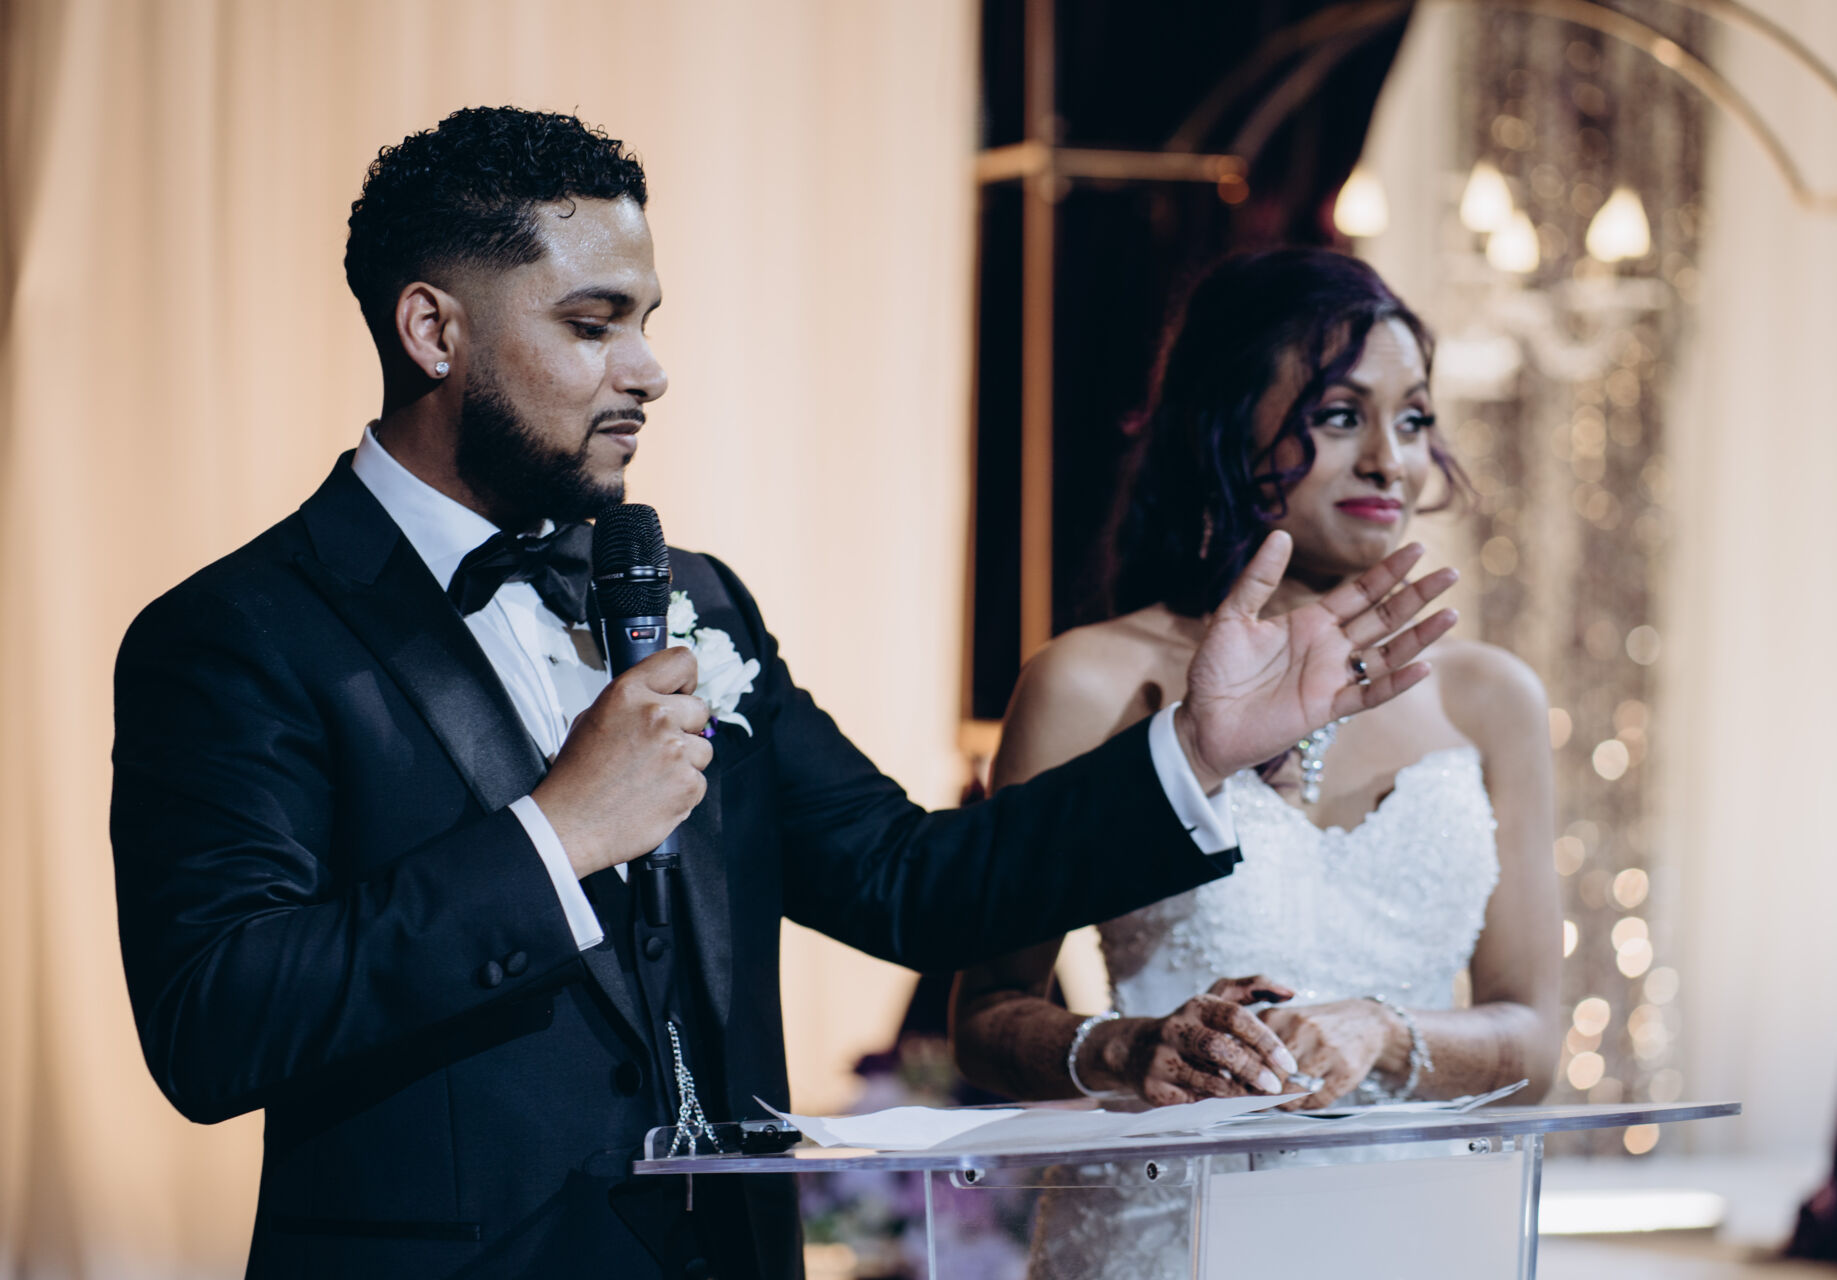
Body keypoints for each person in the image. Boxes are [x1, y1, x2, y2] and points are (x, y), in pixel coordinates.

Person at [109, 112, 1457, 1280]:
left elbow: (915, 884)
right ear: (432, 330)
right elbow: (216, 1023)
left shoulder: (695, 594)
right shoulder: (238, 634)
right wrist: (556, 835)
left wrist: (1195, 747)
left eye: (647, 322)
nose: (649, 368)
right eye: (592, 324)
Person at [949, 249, 1560, 1279]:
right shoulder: (1088, 685)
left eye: (1414, 419)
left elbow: (1535, 1044)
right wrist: (1135, 1048)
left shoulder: (1490, 698)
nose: (1390, 460)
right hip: (1164, 1241)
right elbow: (985, 1016)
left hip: (1419, 1237)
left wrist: (1385, 1030)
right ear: (1226, 423)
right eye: (1339, 415)